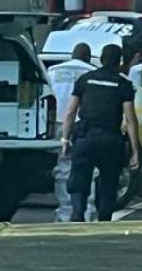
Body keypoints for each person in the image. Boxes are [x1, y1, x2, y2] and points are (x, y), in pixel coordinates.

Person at [60, 44, 141, 223]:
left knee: (79, 178)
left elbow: (70, 112)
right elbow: (130, 119)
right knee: (109, 180)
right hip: (110, 140)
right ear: (119, 61)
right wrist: (135, 151)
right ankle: (104, 217)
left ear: (101, 59)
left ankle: (78, 213)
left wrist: (65, 139)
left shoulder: (85, 80)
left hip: (84, 138)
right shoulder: (123, 84)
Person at [46, 43, 97, 222]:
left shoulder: (53, 71)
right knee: (88, 169)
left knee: (62, 168)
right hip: (83, 125)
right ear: (88, 57)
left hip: (59, 122)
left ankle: (64, 212)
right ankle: (88, 212)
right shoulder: (92, 72)